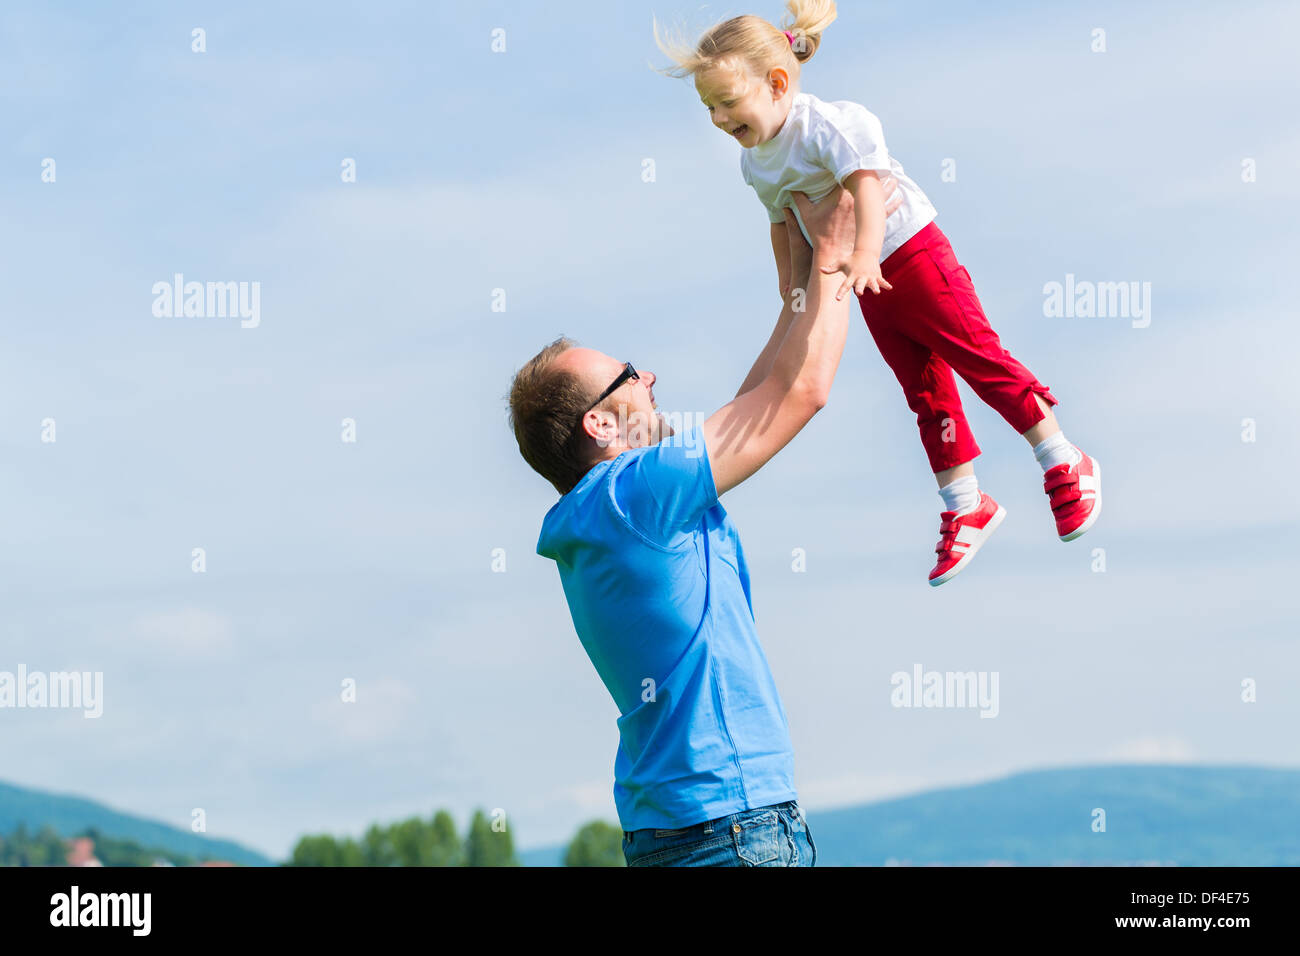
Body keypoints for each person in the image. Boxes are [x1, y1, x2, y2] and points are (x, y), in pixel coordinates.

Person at [654, 0, 1102, 586]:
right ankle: (966, 501)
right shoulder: (755, 164)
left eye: (728, 102)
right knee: (922, 387)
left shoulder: (830, 124)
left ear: (777, 83)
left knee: (976, 355)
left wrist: (864, 251)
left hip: (909, 252)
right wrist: (792, 288)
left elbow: (867, 187)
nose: (717, 117)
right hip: (865, 278)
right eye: (708, 106)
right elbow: (782, 224)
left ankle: (1062, 457)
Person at [508, 187, 857, 866]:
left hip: (673, 833)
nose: (651, 376)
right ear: (601, 425)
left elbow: (756, 401)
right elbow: (802, 393)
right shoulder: (636, 494)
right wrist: (840, 261)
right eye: (631, 376)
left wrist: (796, 287)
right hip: (735, 826)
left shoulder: (603, 512)